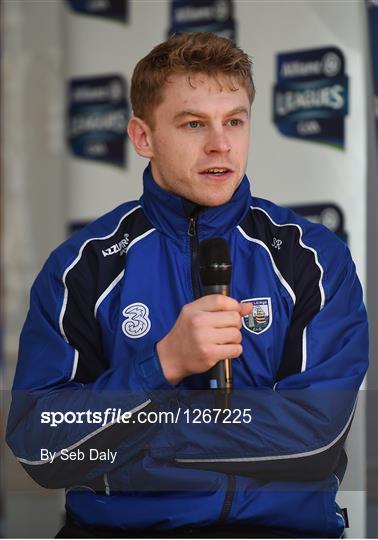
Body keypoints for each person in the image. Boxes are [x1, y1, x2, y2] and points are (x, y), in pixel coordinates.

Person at [7, 32, 368, 538]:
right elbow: (41, 446)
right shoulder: (80, 268)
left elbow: (315, 440)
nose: (220, 144)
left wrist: (134, 439)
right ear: (143, 137)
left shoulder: (313, 258)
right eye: (194, 123)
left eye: (235, 121)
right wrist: (165, 364)